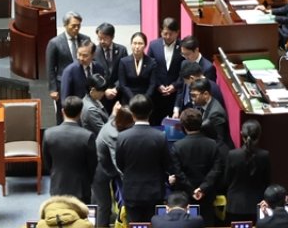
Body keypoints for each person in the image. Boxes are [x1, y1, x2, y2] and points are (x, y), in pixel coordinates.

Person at [116, 95, 171, 223]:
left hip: (131, 191)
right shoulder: (160, 137)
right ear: (150, 112)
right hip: (154, 191)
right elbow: (166, 163)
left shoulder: (123, 137)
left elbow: (120, 164)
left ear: (132, 113)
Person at [169, 108, 225, 224]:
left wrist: (192, 190)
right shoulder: (213, 144)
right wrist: (202, 188)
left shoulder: (177, 146)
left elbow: (178, 173)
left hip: (185, 197)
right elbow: (216, 170)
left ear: (183, 126)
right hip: (207, 195)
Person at [43, 96, 97, 203]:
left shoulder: (49, 134)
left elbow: (47, 163)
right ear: (80, 113)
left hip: (57, 186)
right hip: (81, 188)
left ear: (62, 111)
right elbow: (92, 165)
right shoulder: (87, 136)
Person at [223, 120, 272, 223]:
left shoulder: (232, 155)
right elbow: (268, 181)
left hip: (235, 206)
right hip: (258, 206)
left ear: (241, 134)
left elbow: (226, 180)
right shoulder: (265, 155)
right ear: (259, 135)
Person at [93, 104, 132, 228]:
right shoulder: (114, 135)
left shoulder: (114, 121)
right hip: (100, 170)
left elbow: (113, 115)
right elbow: (118, 164)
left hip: (107, 167)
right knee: (103, 205)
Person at [46, 12, 90, 111]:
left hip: (82, 83)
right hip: (63, 84)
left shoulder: (85, 40)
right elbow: (50, 68)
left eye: (78, 26)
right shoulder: (55, 43)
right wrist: (53, 89)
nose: (76, 29)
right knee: (64, 111)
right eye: (73, 26)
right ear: (65, 25)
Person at [146, 17, 183, 125]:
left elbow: (184, 70)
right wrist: (158, 85)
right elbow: (150, 67)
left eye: (170, 34)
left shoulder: (182, 46)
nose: (167, 37)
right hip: (157, 92)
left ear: (177, 33)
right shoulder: (154, 45)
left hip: (175, 93)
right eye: (164, 33)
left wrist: (175, 86)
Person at [189, 77, 232, 149]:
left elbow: (218, 141)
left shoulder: (216, 113)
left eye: (194, 95)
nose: (192, 99)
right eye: (191, 95)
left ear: (205, 94)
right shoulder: (200, 103)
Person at [60, 39, 105, 104]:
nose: (81, 58)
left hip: (95, 109)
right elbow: (65, 98)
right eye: (79, 54)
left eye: (85, 55)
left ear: (93, 55)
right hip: (77, 110)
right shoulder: (70, 71)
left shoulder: (99, 68)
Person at [116, 32, 157, 103]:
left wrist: (144, 99)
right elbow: (123, 84)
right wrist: (133, 99)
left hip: (146, 100)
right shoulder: (124, 61)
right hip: (128, 99)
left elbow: (152, 84)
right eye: (134, 43)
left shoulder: (152, 62)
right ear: (131, 44)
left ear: (145, 45)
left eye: (140, 43)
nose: (137, 46)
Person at [92, 22, 125, 110]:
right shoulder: (94, 52)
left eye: (105, 38)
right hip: (101, 95)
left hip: (118, 94)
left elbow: (124, 72)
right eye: (100, 38)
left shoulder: (122, 50)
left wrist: (116, 88)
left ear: (112, 37)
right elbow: (93, 74)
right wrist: (104, 90)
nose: (102, 41)